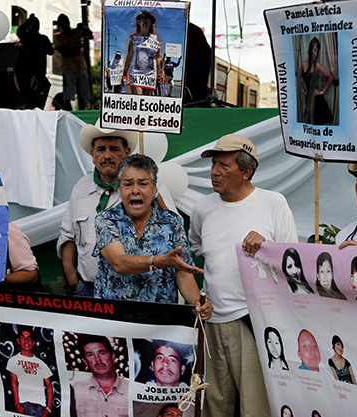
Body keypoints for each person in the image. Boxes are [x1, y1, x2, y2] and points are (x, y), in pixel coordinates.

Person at [189, 133, 297, 417]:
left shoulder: (274, 204)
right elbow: (198, 250)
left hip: (252, 321)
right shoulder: (202, 208)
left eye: (224, 165)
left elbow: (291, 262)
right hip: (211, 319)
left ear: (246, 171)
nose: (214, 171)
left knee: (254, 405)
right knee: (213, 402)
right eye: (214, 164)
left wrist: (266, 247)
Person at [57, 122, 176, 297]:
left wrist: (155, 200)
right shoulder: (80, 188)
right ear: (92, 154)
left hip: (134, 292)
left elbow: (173, 230)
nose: (107, 155)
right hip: (88, 288)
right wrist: (71, 274)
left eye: (114, 149)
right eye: (101, 150)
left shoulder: (149, 188)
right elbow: (68, 235)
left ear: (127, 153)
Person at [93, 154, 213, 320]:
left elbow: (183, 272)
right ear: (120, 190)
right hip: (115, 321)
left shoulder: (172, 222)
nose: (135, 190)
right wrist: (159, 261)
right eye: (128, 184)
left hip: (161, 323)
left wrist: (196, 303)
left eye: (143, 184)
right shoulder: (106, 220)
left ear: (154, 190)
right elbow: (119, 263)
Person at [70, 335, 128, 417]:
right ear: (85, 361)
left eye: (102, 353)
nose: (98, 360)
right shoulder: (76, 390)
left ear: (113, 357)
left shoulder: (130, 389)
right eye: (90, 355)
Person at [6, 326, 53, 416]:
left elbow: (49, 386)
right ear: (18, 341)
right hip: (24, 406)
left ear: (33, 343)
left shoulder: (41, 363)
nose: (26, 341)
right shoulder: (13, 360)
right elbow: (14, 383)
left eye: (29, 338)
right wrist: (17, 405)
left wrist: (49, 409)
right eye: (23, 338)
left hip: (41, 408)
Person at [15, 14, 54, 109]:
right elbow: (19, 31)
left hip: (38, 70)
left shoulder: (42, 38)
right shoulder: (26, 37)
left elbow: (51, 51)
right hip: (27, 70)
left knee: (38, 93)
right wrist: (28, 21)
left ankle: (35, 106)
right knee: (28, 91)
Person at [54, 14, 92, 110]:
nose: (65, 25)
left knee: (83, 96)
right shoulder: (59, 38)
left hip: (81, 66)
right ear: (60, 26)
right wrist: (76, 46)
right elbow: (64, 52)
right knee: (68, 95)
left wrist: (83, 27)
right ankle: (68, 113)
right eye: (63, 24)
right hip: (68, 68)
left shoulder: (76, 32)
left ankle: (82, 114)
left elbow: (90, 34)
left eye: (66, 23)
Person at [122, 11, 163, 95]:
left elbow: (158, 57)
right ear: (138, 23)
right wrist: (125, 73)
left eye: (147, 20)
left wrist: (161, 73)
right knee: (138, 98)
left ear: (151, 23)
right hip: (136, 74)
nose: (145, 22)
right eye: (142, 20)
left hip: (150, 74)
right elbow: (129, 56)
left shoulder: (155, 39)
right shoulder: (134, 39)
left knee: (146, 100)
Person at [297, 37, 334, 124]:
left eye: (317, 51)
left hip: (317, 99)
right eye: (314, 50)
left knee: (318, 123)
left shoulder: (317, 65)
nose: (316, 53)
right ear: (310, 49)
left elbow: (331, 77)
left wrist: (321, 92)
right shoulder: (303, 64)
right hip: (308, 97)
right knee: (309, 122)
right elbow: (299, 78)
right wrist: (303, 90)